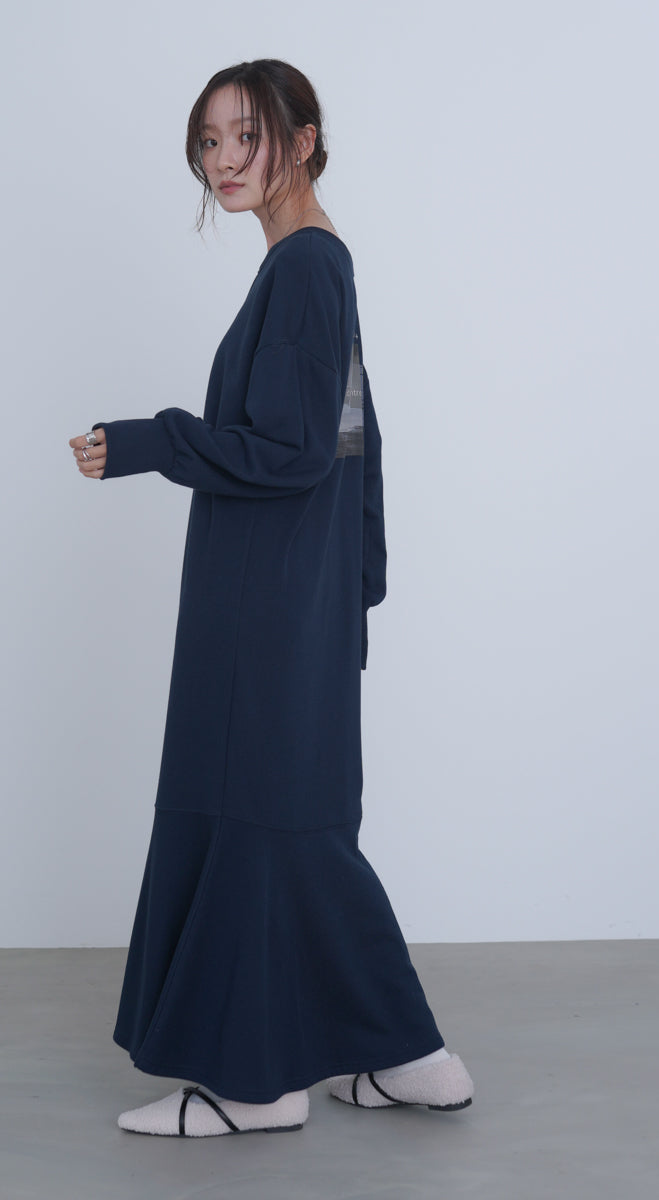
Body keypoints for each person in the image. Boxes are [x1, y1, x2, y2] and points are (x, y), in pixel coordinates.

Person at [68, 59, 474, 1138]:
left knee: (261, 823)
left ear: (300, 138)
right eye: (208, 141)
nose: (224, 160)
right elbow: (355, 441)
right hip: (297, 597)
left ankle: (256, 1087)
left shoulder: (304, 268)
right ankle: (408, 1059)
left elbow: (296, 449)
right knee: (295, 827)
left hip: (266, 604)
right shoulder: (317, 263)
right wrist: (353, 585)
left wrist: (155, 441)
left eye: (245, 135)